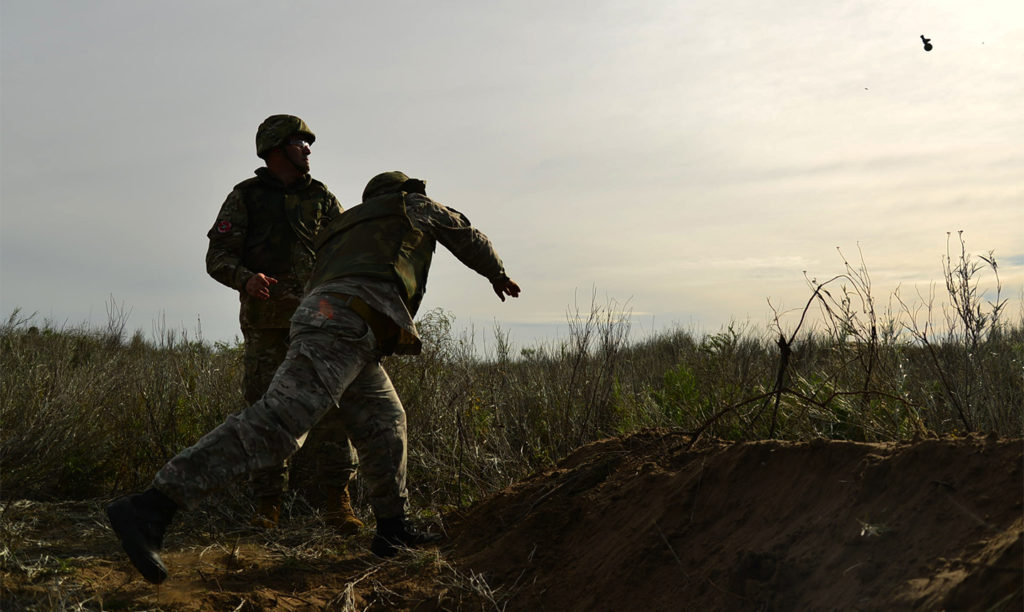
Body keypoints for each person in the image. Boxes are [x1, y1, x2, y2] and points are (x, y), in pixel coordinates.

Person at [107, 171, 521, 583]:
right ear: (403, 193)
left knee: (385, 421)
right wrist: (497, 273)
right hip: (343, 324)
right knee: (281, 423)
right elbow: (467, 234)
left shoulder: (344, 226)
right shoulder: (410, 205)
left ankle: (392, 531)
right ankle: (152, 506)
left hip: (344, 325)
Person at [205, 114, 360, 532]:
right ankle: (267, 506)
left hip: (318, 327)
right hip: (267, 328)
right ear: (277, 148)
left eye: (308, 144)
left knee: (332, 410)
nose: (308, 149)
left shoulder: (324, 199)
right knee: (266, 413)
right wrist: (245, 278)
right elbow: (217, 256)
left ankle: (337, 502)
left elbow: (347, 251)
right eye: (300, 142)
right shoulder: (246, 197)